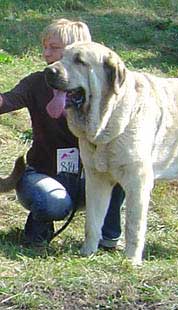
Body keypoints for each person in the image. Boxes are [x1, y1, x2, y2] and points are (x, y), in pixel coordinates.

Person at [0, 19, 125, 249]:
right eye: (45, 47)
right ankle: (36, 238)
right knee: (53, 202)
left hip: (88, 179)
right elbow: (5, 101)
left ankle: (109, 238)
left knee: (118, 174)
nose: (46, 54)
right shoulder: (36, 83)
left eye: (54, 48)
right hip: (43, 175)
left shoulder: (102, 91)